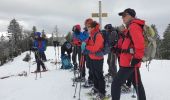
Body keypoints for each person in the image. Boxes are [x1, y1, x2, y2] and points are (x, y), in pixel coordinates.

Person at [111, 8, 146, 100]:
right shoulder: (130, 27)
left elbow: (140, 44)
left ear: (131, 15)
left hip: (130, 62)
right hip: (129, 61)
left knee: (115, 84)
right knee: (137, 85)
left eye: (124, 16)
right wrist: (118, 50)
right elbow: (128, 44)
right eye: (122, 16)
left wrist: (137, 58)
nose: (122, 18)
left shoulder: (134, 26)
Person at [82, 21, 106, 99]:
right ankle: (96, 89)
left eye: (88, 27)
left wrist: (86, 47)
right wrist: (84, 44)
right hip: (92, 57)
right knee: (94, 74)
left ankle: (102, 92)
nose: (87, 28)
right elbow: (88, 44)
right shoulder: (91, 35)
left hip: (98, 58)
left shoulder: (98, 35)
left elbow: (96, 48)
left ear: (92, 28)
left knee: (99, 75)